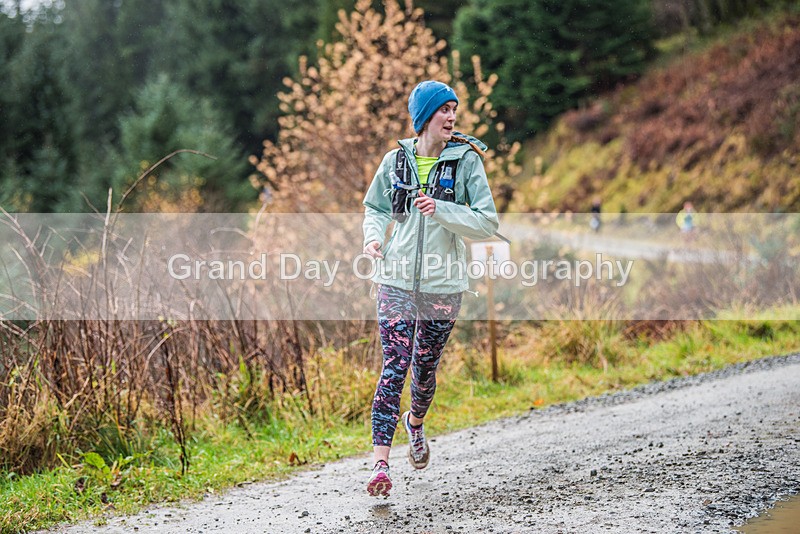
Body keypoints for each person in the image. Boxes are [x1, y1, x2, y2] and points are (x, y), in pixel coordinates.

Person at [361, 80, 499, 497]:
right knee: (394, 367)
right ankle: (380, 466)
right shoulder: (395, 161)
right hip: (396, 279)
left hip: (443, 283)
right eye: (444, 110)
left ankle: (415, 424)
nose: (452, 117)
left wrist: (441, 209)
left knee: (422, 372)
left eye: (455, 109)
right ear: (424, 118)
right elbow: (375, 208)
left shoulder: (465, 163)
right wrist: (372, 237)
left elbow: (487, 222)